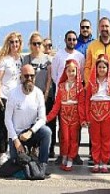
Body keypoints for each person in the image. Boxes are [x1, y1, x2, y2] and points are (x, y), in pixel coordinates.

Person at [4, 64, 52, 173]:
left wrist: (31, 131)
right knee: (16, 166)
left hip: (31, 132)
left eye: (32, 76)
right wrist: (16, 141)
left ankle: (42, 165)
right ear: (21, 77)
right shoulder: (13, 94)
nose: (29, 79)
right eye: (26, 76)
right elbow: (7, 120)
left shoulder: (38, 93)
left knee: (47, 132)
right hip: (17, 135)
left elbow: (42, 119)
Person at [49, 30, 85, 165]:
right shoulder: (58, 55)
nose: (71, 41)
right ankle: (62, 154)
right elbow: (54, 74)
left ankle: (73, 155)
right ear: (65, 40)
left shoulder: (80, 56)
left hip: (75, 103)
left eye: (74, 39)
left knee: (75, 133)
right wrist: (62, 86)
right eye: (69, 39)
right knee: (63, 132)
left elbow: (80, 73)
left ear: (76, 41)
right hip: (62, 97)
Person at [46, 59, 86, 171]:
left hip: (75, 116)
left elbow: (82, 105)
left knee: (74, 138)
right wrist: (48, 117)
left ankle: (70, 158)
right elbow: (57, 105)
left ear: (77, 72)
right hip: (64, 116)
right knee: (64, 138)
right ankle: (64, 155)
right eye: (69, 71)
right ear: (65, 71)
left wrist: (83, 119)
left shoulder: (80, 88)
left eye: (73, 71)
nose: (71, 73)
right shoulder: (61, 86)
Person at [21, 32, 55, 159]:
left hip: (46, 95)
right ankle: (31, 147)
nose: (37, 46)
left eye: (39, 43)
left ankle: (47, 149)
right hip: (31, 95)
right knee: (31, 122)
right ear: (30, 45)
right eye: (34, 43)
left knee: (46, 122)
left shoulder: (48, 59)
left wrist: (46, 94)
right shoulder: (27, 59)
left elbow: (49, 79)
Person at [0, 32, 24, 165]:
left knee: (15, 126)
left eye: (16, 42)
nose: (14, 44)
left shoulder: (21, 59)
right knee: (3, 125)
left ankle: (15, 151)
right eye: (12, 42)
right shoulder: (4, 59)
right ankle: (2, 152)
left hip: (17, 97)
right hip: (5, 96)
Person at [85, 54, 110, 173]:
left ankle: (104, 161)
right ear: (96, 68)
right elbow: (87, 100)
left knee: (106, 138)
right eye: (100, 67)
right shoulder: (91, 83)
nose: (102, 69)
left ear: (108, 69)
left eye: (104, 67)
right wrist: (87, 116)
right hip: (94, 112)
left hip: (108, 112)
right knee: (95, 139)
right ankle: (96, 161)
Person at [84, 17, 110, 85]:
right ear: (99, 28)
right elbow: (87, 67)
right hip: (96, 87)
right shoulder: (92, 45)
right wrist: (89, 83)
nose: (104, 28)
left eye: (106, 26)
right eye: (102, 26)